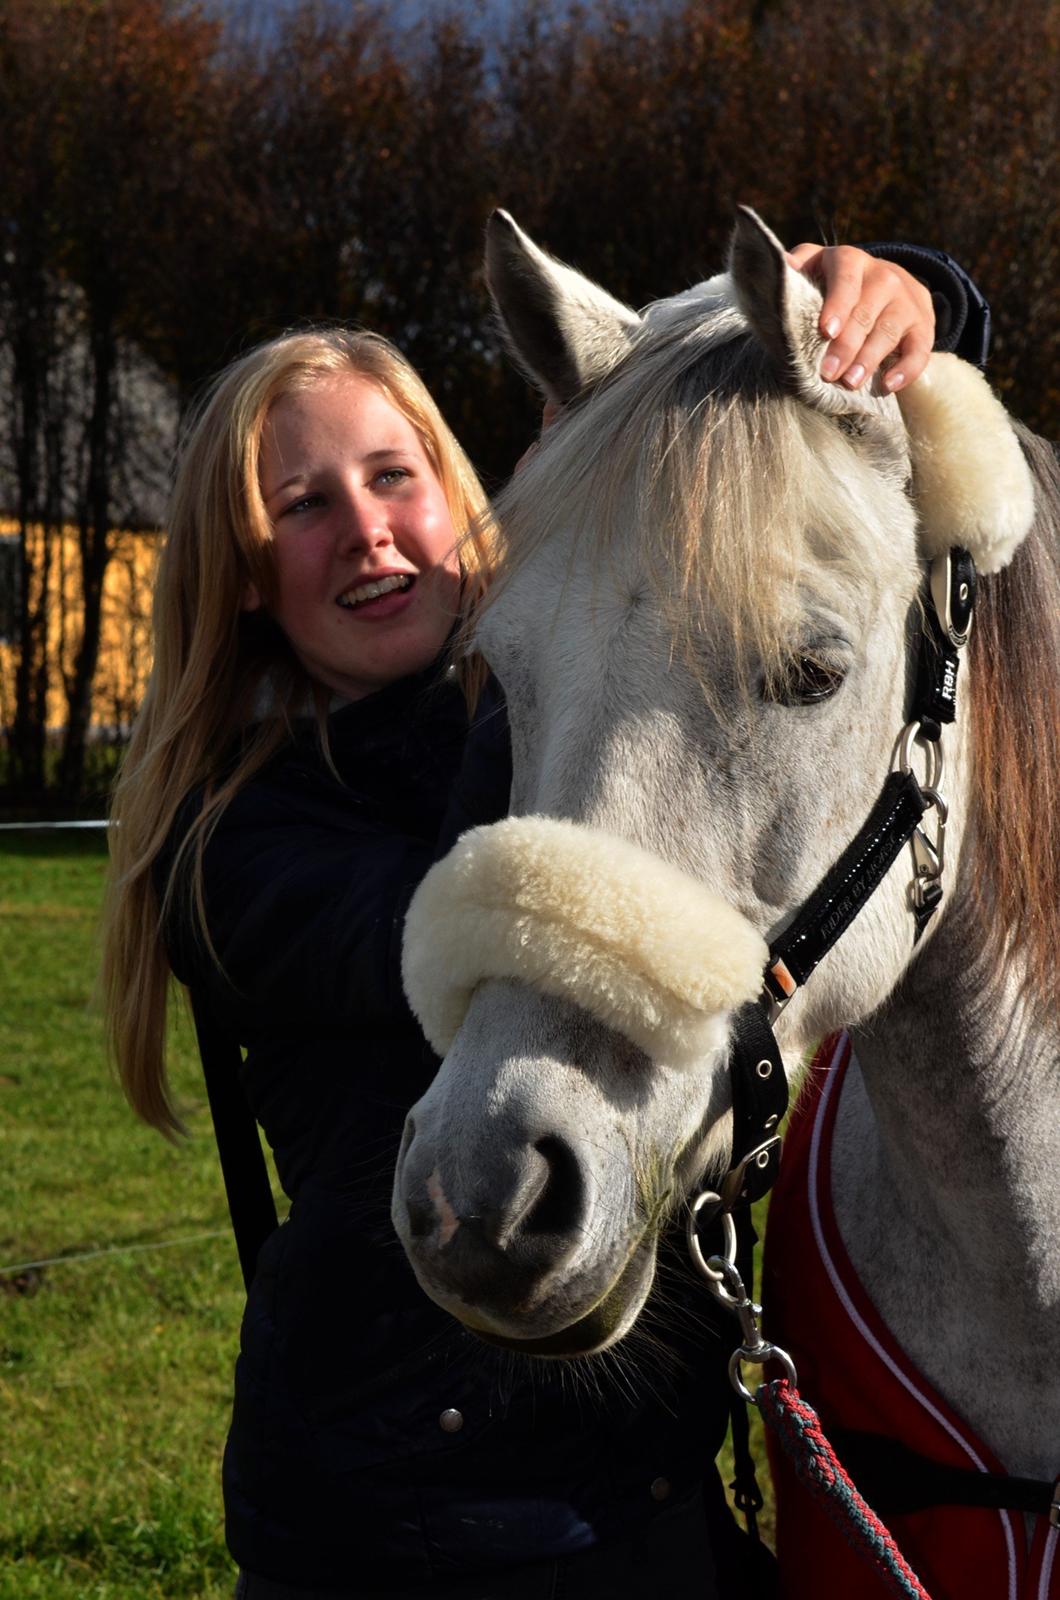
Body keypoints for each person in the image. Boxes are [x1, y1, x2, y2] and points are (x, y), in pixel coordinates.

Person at [100, 241, 989, 1599]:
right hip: (397, 1538)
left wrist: (912, 301)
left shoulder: (561, 694)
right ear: (239, 573)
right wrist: (546, 636)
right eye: (304, 504)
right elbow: (496, 904)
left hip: (647, 1497)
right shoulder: (230, 840)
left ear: (455, 493)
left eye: (394, 477)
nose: (372, 531)